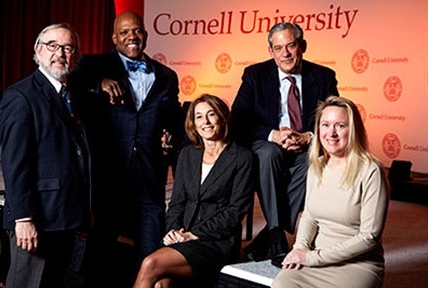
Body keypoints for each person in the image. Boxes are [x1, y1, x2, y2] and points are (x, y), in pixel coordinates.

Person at [69, 11, 184, 287]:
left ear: (144, 34)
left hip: (149, 176)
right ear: (114, 38)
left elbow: (174, 121)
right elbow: (70, 87)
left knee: (149, 252)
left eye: (136, 31)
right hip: (108, 175)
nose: (131, 36)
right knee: (101, 249)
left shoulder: (167, 75)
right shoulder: (94, 66)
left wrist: (178, 138)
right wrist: (98, 84)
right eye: (124, 32)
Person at [230, 22, 339, 267]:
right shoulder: (255, 75)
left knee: (316, 163)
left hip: (306, 145)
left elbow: (337, 116)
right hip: (269, 143)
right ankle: (278, 236)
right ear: (271, 51)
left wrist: (309, 136)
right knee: (268, 154)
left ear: (302, 46)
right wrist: (273, 134)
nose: (285, 53)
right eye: (278, 48)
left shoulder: (323, 76)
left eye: (291, 46)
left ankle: (268, 235)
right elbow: (239, 119)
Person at [0, 23, 91, 288]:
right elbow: (14, 163)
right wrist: (23, 218)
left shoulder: (73, 95)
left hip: (67, 216)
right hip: (36, 219)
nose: (60, 53)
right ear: (37, 51)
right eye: (53, 46)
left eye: (68, 47)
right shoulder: (20, 96)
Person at [133, 94, 254, 288]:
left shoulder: (242, 157)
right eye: (198, 116)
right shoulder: (188, 154)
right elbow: (177, 202)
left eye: (211, 114)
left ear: (222, 117)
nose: (205, 121)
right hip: (182, 237)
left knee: (150, 263)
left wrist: (192, 234)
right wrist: (173, 231)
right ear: (193, 123)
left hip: (216, 243)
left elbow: (235, 212)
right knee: (161, 284)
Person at [271, 96, 389, 288]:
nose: (331, 133)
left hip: (357, 264)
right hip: (314, 258)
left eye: (340, 126)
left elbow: (369, 237)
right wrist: (299, 249)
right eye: (325, 125)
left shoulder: (371, 170)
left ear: (353, 130)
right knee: (281, 285)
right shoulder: (317, 165)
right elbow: (309, 216)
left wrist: (311, 257)